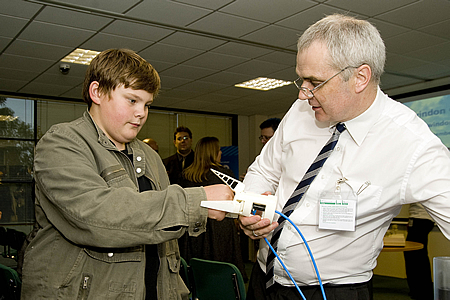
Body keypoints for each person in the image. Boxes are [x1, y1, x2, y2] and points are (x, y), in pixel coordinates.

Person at [239, 14, 450, 300]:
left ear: (360, 78)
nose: (303, 94)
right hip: (264, 279)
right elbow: (263, 171)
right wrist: (251, 209)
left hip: (335, 291)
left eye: (314, 81)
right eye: (301, 79)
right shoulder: (301, 111)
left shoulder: (413, 144)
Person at [20, 48, 233, 300]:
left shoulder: (150, 156)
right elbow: (95, 215)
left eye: (147, 104)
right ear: (97, 92)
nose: (141, 113)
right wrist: (195, 202)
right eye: (132, 100)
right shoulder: (61, 144)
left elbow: (166, 244)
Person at [177, 136, 247, 281]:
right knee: (222, 271)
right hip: (221, 230)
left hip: (195, 231)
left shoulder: (186, 175)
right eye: (219, 150)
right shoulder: (225, 175)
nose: (221, 153)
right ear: (213, 152)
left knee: (197, 273)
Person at [404, 203, 434, 300]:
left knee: (415, 256)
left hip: (420, 217)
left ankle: (420, 292)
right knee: (418, 255)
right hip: (423, 218)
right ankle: (421, 291)